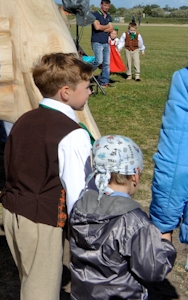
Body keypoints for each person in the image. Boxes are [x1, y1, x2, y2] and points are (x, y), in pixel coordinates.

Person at [0, 53, 94, 299]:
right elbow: (77, 193)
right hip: (43, 221)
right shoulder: (72, 133)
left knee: (29, 279)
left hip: (12, 213)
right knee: (41, 292)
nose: (91, 91)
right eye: (87, 86)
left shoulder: (23, 120)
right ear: (66, 92)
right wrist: (84, 236)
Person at [69, 135, 176, 299]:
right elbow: (152, 270)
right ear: (135, 176)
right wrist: (165, 243)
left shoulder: (80, 205)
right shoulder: (134, 220)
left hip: (82, 294)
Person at [150, 67, 188, 273]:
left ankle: (158, 267)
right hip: (178, 163)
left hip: (176, 167)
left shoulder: (182, 78)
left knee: (164, 221)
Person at [89, 0, 114, 88]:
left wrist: (102, 27)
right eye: (105, 5)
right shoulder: (95, 15)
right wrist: (107, 27)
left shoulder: (108, 16)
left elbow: (111, 29)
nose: (106, 7)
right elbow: (97, 27)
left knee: (106, 63)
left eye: (108, 6)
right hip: (97, 41)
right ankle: (85, 72)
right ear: (101, 5)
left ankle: (104, 81)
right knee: (98, 61)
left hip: (105, 42)